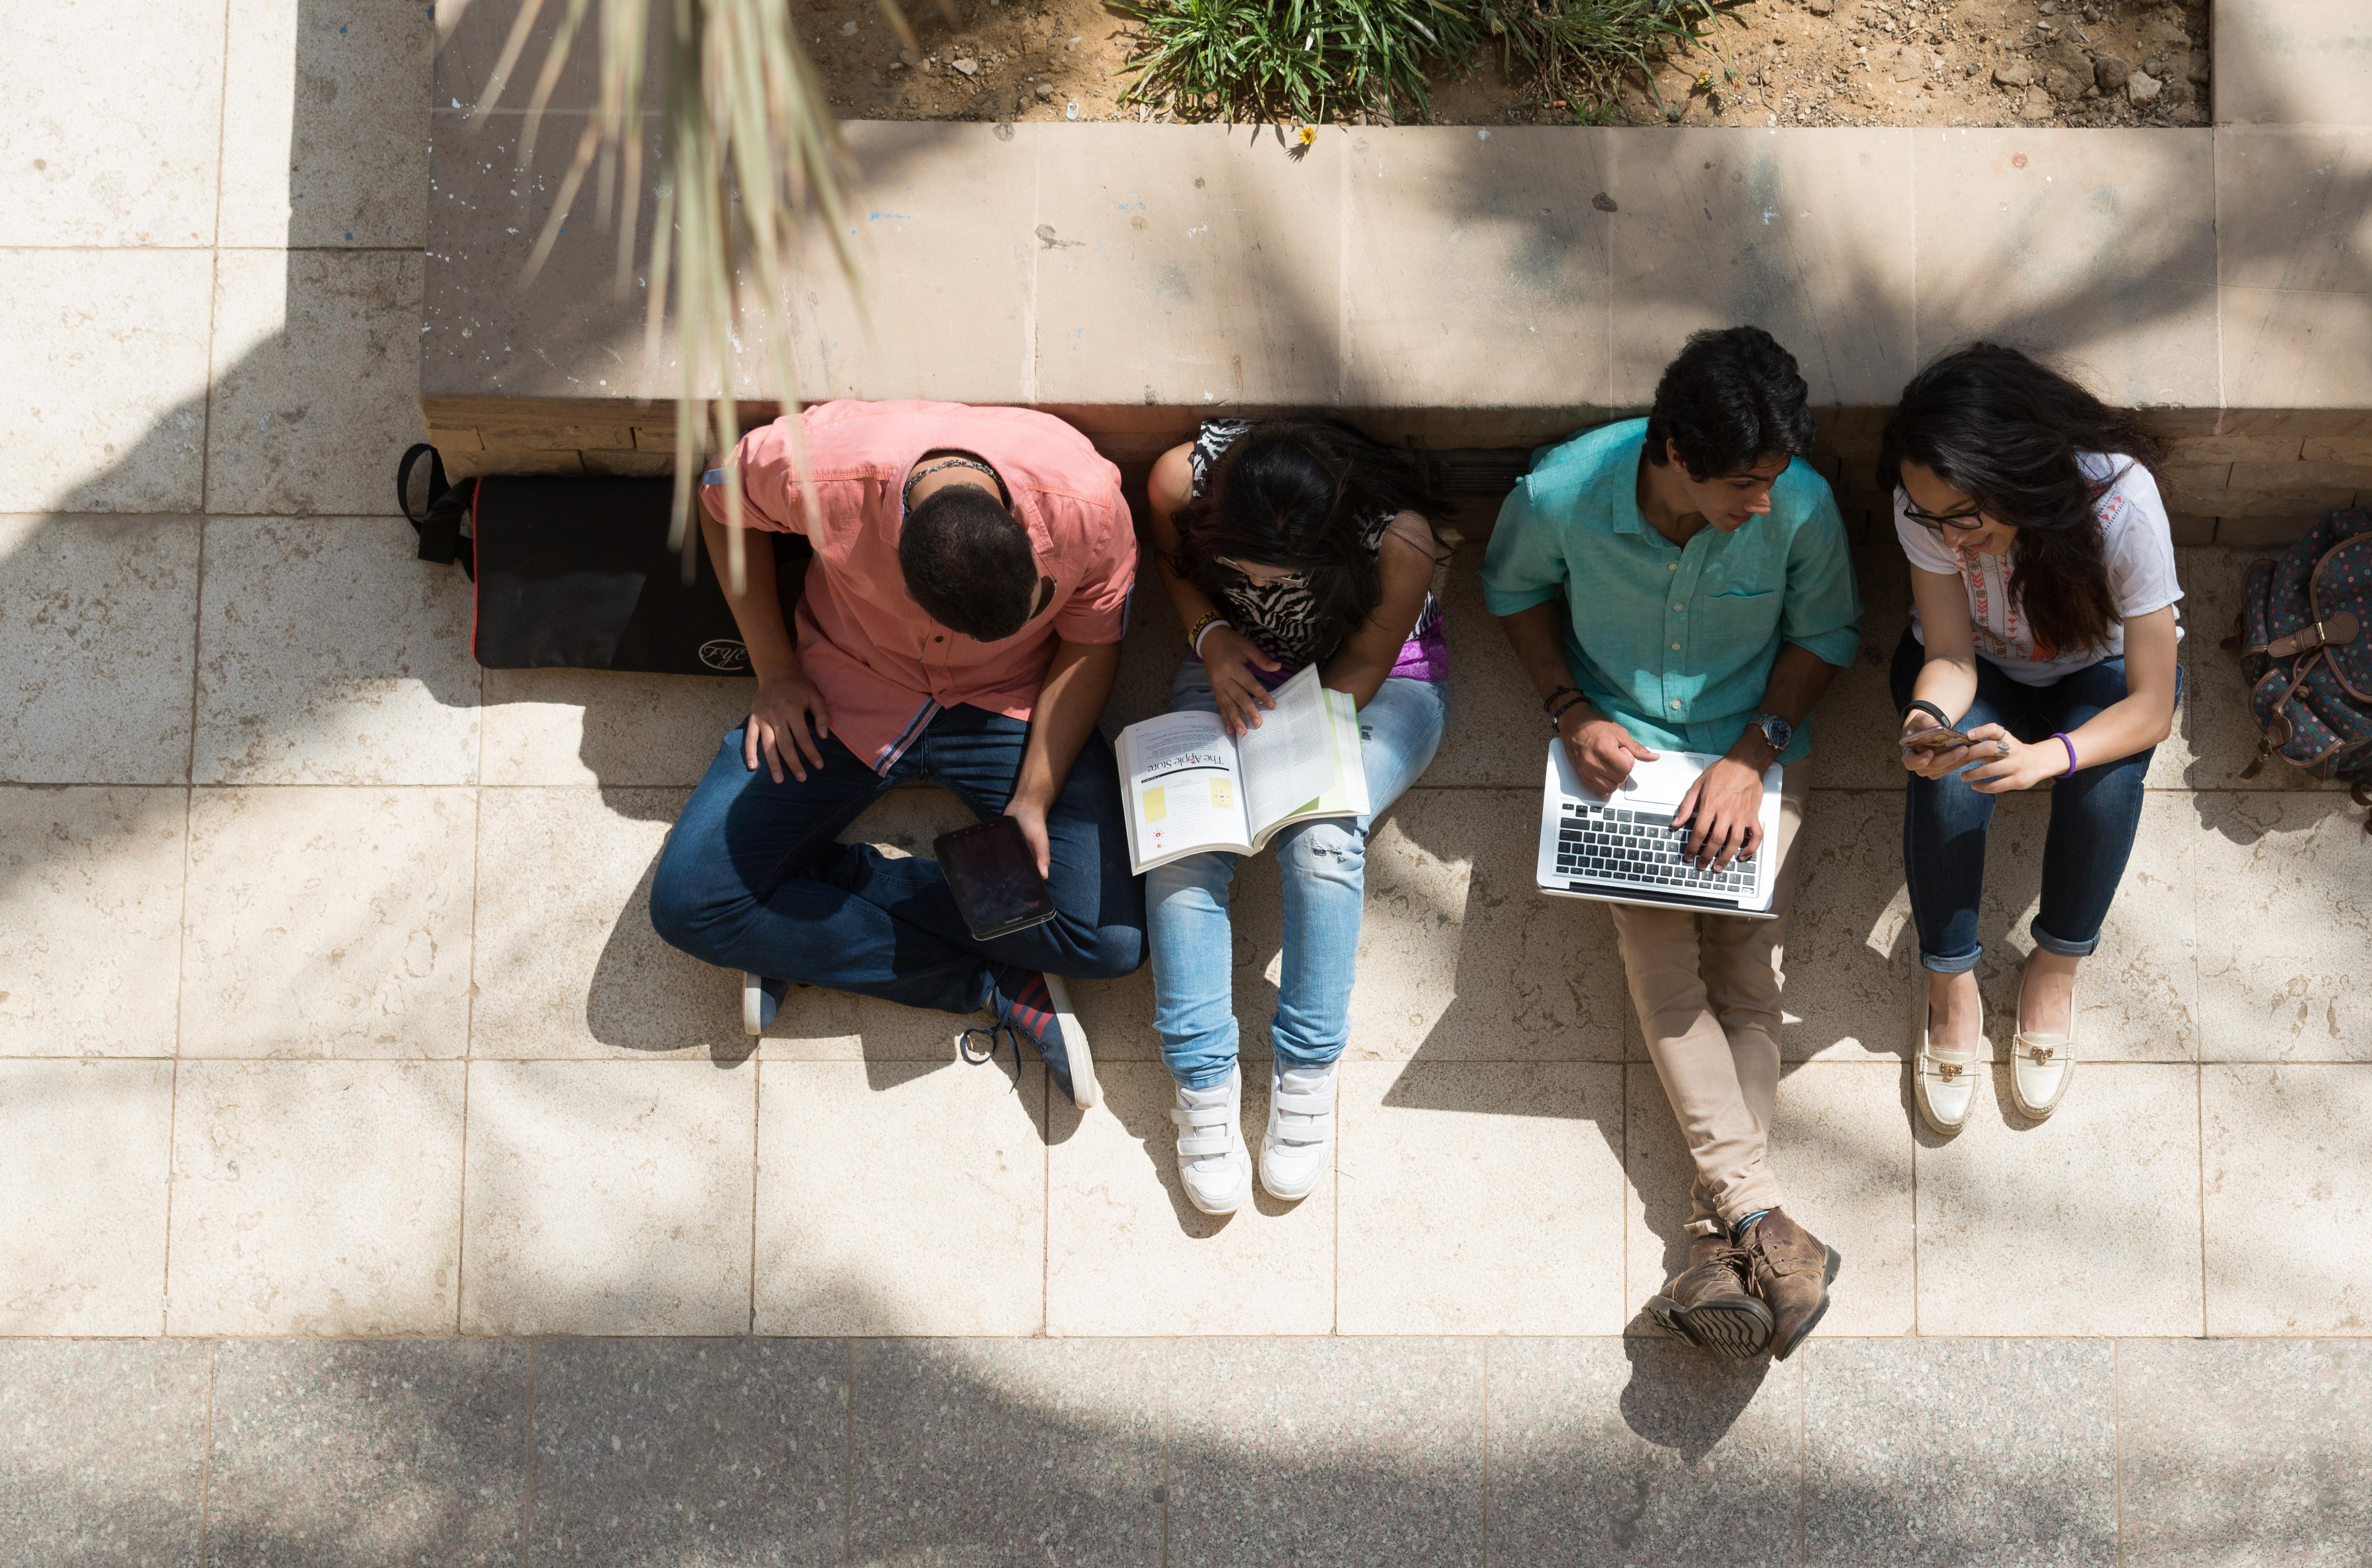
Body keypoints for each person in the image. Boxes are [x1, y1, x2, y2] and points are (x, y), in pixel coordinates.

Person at [1484, 327, 1862, 1360]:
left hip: (1757, 746)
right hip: (1629, 763)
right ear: (1675, 453)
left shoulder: (1801, 506)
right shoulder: (1562, 494)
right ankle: (1763, 1229)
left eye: (1774, 479)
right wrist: (1567, 710)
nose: (1765, 503)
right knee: (1662, 965)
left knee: (1751, 971)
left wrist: (1753, 752)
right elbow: (1512, 591)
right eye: (1744, 484)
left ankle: (1718, 1243)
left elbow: (1826, 635)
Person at [650, 400, 1141, 1107]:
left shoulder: (1086, 505)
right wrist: (775, 671)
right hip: (846, 691)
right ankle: (993, 981)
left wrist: (1033, 797)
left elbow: (1093, 644)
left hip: (1008, 706)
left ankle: (798, 909)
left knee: (1106, 942)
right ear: (905, 577)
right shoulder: (820, 468)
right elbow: (718, 496)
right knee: (693, 904)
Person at [1138, 417, 1451, 1212]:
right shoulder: (1182, 481)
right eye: (1248, 569)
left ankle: (1308, 1070)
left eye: (1287, 574)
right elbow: (1174, 563)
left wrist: (1281, 764)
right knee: (1182, 845)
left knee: (1322, 836)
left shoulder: (1399, 540)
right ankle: (1201, 1082)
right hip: (1233, 664)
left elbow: (1368, 661)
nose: (1264, 584)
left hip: (1374, 684)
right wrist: (1210, 634)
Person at [1884, 343, 2183, 1128]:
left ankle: (2056, 964)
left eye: (1964, 518)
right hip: (1977, 668)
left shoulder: (2120, 502)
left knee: (2106, 782)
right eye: (1932, 519)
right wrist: (1928, 719)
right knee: (1949, 778)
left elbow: (2153, 704)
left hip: (2098, 674)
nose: (1951, 540)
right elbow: (1950, 654)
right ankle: (1950, 982)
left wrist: (2048, 758)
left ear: (2014, 471)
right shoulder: (1924, 504)